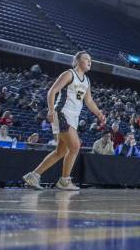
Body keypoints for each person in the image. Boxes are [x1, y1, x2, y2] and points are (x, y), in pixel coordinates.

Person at [22, 52, 105, 191]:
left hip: (74, 117)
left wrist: (99, 114)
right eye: (86, 59)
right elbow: (52, 91)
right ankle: (64, 181)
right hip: (61, 113)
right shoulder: (69, 74)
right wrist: (50, 110)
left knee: (60, 152)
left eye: (91, 60)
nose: (90, 61)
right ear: (77, 61)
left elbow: (88, 100)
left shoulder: (86, 80)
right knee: (75, 146)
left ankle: (33, 175)